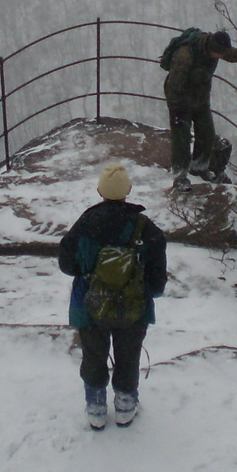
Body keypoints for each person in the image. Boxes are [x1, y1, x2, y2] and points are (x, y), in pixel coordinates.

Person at [58, 162, 168, 430]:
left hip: (89, 305)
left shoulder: (84, 225)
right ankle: (125, 406)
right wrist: (143, 292)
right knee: (128, 356)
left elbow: (67, 265)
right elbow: (157, 279)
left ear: (100, 191)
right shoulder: (146, 229)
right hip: (133, 307)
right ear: (128, 190)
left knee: (94, 355)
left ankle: (96, 407)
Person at [162, 28, 237, 190]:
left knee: (207, 134)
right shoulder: (185, 55)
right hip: (181, 101)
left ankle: (199, 167)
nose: (220, 58)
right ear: (211, 49)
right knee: (181, 138)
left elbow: (228, 54)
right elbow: (174, 84)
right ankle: (180, 176)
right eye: (218, 55)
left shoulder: (215, 47)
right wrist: (176, 110)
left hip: (200, 100)